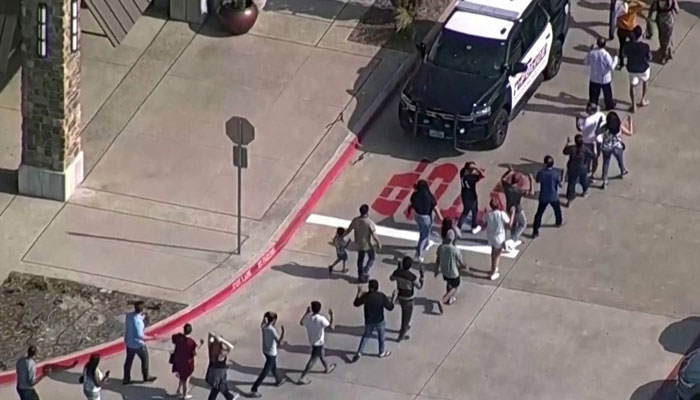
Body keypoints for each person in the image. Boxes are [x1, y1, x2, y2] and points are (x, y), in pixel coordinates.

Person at [351, 280, 396, 362]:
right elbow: (390, 307)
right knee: (381, 336)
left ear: (369, 287)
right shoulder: (381, 296)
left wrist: (359, 292)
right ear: (377, 288)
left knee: (365, 337)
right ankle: (381, 352)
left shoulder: (366, 296)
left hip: (369, 321)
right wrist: (393, 298)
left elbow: (356, 303)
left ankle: (359, 353)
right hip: (379, 321)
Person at [298, 301, 336, 384]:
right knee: (312, 360)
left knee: (322, 355)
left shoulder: (308, 318)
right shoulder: (321, 319)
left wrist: (306, 313)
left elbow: (301, 323)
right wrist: (331, 315)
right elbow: (331, 328)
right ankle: (302, 377)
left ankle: (327, 368)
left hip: (312, 341)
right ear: (319, 309)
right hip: (318, 342)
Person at [251, 312, 286, 397]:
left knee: (273, 367)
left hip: (265, 351)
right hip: (271, 353)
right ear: (274, 320)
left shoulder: (263, 326)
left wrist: (265, 316)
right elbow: (280, 343)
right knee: (265, 371)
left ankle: (279, 380)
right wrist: (283, 333)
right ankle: (254, 388)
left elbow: (263, 322)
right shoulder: (272, 330)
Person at [389, 256, 424, 341]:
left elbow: (391, 278)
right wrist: (422, 276)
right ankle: (401, 336)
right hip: (408, 298)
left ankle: (404, 328)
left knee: (405, 314)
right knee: (406, 317)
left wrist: (398, 269)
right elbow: (419, 286)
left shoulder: (397, 273)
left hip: (400, 296)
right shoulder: (412, 276)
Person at [344, 204, 381, 283]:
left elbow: (348, 230)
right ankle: (365, 270)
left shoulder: (355, 220)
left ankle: (360, 275)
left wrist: (341, 236)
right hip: (368, 244)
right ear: (367, 212)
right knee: (372, 258)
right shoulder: (369, 222)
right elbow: (374, 235)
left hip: (359, 244)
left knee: (360, 260)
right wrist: (378, 243)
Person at [408, 179, 442, 262]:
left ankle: (427, 243)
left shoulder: (414, 196)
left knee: (424, 230)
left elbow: (412, 205)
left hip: (418, 216)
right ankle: (418, 254)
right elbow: (436, 209)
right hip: (426, 218)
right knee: (423, 236)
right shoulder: (429, 197)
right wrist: (441, 219)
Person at [123, 301, 157, 385]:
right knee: (145, 360)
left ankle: (126, 378)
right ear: (142, 310)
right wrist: (153, 338)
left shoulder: (129, 316)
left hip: (129, 342)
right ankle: (146, 377)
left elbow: (130, 325)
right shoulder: (138, 322)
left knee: (128, 361)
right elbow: (140, 336)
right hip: (138, 345)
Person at [532, 155, 564, 238]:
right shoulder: (555, 173)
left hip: (543, 196)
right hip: (553, 196)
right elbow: (560, 184)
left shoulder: (541, 173)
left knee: (539, 214)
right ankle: (558, 222)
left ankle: (535, 231)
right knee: (557, 211)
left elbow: (537, 180)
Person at [500, 166, 531, 248]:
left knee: (514, 223)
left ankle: (510, 238)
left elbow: (502, 178)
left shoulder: (507, 187)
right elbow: (530, 193)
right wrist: (531, 181)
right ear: (518, 181)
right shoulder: (519, 190)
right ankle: (513, 239)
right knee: (523, 224)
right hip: (517, 208)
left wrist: (508, 172)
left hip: (509, 207)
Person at [600, 112, 633, 188]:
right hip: (617, 147)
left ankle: (605, 180)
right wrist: (630, 122)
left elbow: (596, 132)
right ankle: (623, 171)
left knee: (606, 163)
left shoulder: (605, 128)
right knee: (620, 160)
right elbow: (630, 133)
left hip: (606, 147)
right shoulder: (619, 127)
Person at [584, 38, 618, 110]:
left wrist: (589, 51)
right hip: (604, 79)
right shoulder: (606, 54)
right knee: (607, 94)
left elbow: (585, 62)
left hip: (594, 78)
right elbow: (612, 67)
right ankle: (609, 105)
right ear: (604, 45)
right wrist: (615, 58)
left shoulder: (592, 53)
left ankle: (593, 107)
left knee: (593, 95)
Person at [171, 323, 203, 399]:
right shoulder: (191, 342)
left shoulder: (178, 337)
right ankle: (185, 395)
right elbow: (195, 353)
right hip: (187, 364)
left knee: (182, 376)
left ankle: (179, 389)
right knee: (186, 380)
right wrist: (200, 345)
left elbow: (173, 339)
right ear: (191, 331)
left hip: (178, 362)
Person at [624, 25, 652, 112]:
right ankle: (642, 100)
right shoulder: (645, 46)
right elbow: (649, 57)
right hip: (643, 68)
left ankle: (633, 105)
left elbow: (624, 54)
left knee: (632, 86)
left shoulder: (627, 45)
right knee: (645, 82)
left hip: (632, 68)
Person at [562, 134, 595, 206]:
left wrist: (567, 143)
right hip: (582, 167)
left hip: (572, 167)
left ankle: (569, 200)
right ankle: (585, 191)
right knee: (583, 180)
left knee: (571, 183)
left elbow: (564, 152)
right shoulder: (585, 149)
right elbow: (593, 155)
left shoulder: (572, 148)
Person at [435, 230, 466, 306]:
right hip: (453, 272)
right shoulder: (455, 250)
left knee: (449, 283)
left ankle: (450, 299)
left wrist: (436, 270)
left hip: (444, 271)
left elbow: (438, 260)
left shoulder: (441, 247)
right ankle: (447, 297)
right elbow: (460, 262)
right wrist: (464, 266)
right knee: (455, 286)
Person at [576, 103, 607, 177]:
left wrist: (577, 121)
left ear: (592, 111)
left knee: (587, 157)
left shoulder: (588, 120)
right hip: (599, 141)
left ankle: (587, 170)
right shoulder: (602, 115)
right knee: (596, 157)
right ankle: (593, 173)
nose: (586, 109)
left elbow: (579, 129)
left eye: (587, 109)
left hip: (588, 142)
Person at [205, 333, 239, 400]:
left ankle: (229, 397)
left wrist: (214, 337)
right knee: (218, 388)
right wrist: (222, 340)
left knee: (219, 388)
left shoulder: (211, 348)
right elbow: (231, 347)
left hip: (212, 372)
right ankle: (229, 397)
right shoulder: (221, 353)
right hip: (219, 373)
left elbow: (209, 335)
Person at [614, 0, 647, 69]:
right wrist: (634, 0)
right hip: (630, 29)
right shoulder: (631, 8)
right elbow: (643, 5)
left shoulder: (619, 7)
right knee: (634, 44)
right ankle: (632, 61)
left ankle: (621, 63)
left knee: (621, 46)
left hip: (621, 29)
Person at [486, 198, 511, 281]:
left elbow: (484, 221)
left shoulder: (489, 214)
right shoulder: (501, 214)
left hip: (491, 236)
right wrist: (512, 213)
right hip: (499, 237)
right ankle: (493, 272)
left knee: (494, 253)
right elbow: (508, 223)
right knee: (496, 255)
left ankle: (494, 268)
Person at [457, 162, 485, 235]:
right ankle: (473, 226)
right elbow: (482, 175)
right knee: (474, 211)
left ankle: (459, 226)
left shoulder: (462, 172)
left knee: (466, 210)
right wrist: (477, 169)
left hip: (464, 194)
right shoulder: (471, 178)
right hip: (471, 196)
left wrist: (475, 169)